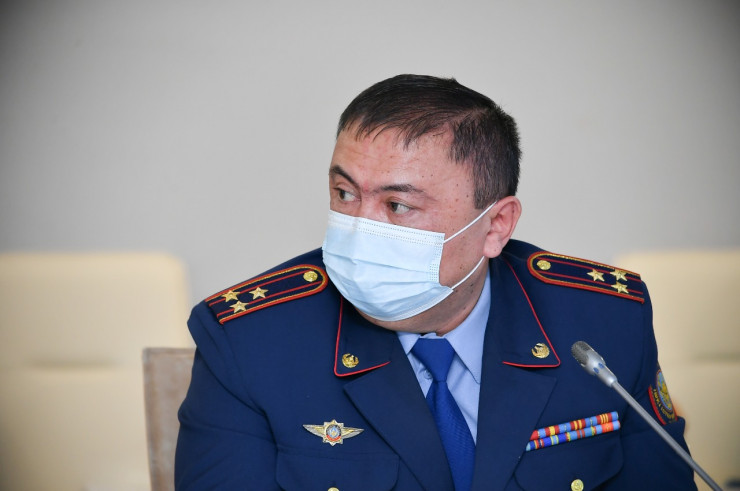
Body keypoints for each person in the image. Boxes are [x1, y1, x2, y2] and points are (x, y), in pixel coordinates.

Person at [175, 74, 696, 490]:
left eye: (398, 205)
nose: (359, 227)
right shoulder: (249, 341)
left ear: (496, 226)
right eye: (345, 194)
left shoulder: (604, 321)